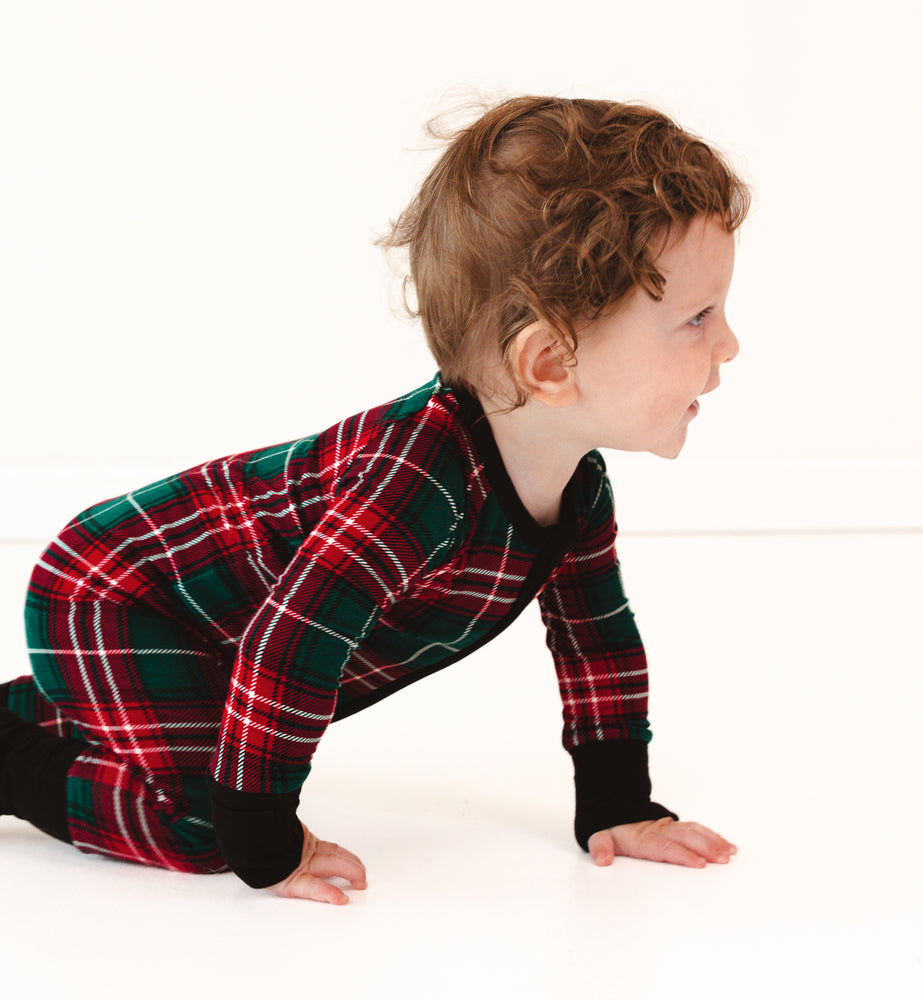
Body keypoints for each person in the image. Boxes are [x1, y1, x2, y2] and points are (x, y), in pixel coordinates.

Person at [0, 95, 749, 904]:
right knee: (212, 827)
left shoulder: (576, 486)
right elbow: (288, 650)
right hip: (119, 595)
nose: (730, 344)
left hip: (205, 623)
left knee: (198, 739)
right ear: (549, 365)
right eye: (698, 317)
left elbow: (597, 640)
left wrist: (617, 804)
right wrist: (267, 838)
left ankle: (66, 706)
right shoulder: (418, 486)